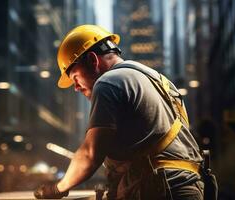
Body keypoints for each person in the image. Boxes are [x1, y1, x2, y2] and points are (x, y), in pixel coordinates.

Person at [34, 24, 206, 199]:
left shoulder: (108, 82)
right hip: (189, 187)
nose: (76, 88)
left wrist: (57, 189)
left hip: (162, 190)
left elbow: (90, 154)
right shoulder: (161, 82)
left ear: (93, 60)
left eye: (76, 78)